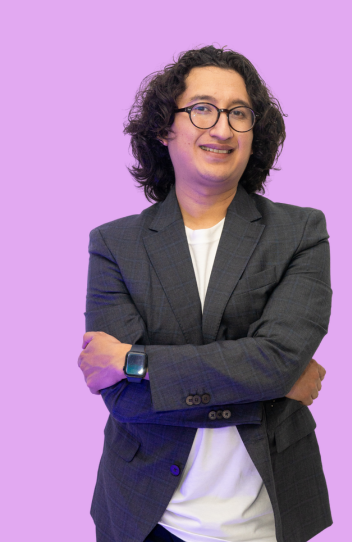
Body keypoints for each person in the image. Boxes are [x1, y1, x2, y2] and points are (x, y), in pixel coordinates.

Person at [78, 45, 333, 542]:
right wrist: (272, 387)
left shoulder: (300, 232)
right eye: (202, 109)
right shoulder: (114, 244)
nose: (221, 128)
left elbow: (278, 360)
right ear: (164, 129)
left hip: (269, 520)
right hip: (143, 516)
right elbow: (125, 400)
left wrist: (135, 361)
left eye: (239, 113)